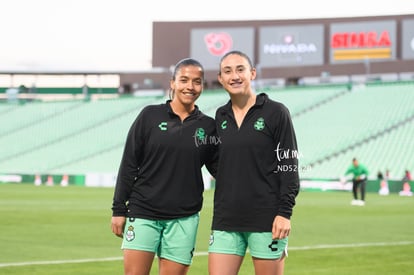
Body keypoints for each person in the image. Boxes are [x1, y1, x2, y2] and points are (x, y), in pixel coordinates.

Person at [111, 58, 218, 275]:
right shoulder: (149, 116)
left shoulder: (208, 126)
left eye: (197, 82)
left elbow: (221, 170)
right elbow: (129, 163)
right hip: (143, 212)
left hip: (184, 217)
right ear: (173, 83)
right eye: (184, 80)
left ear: (202, 86)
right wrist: (118, 209)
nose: (190, 86)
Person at [208, 50, 300, 275]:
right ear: (220, 79)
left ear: (253, 73)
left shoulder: (276, 112)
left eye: (240, 69)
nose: (234, 76)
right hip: (226, 219)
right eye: (227, 71)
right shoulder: (220, 116)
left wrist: (284, 213)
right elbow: (215, 160)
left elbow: (289, 165)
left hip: (267, 219)